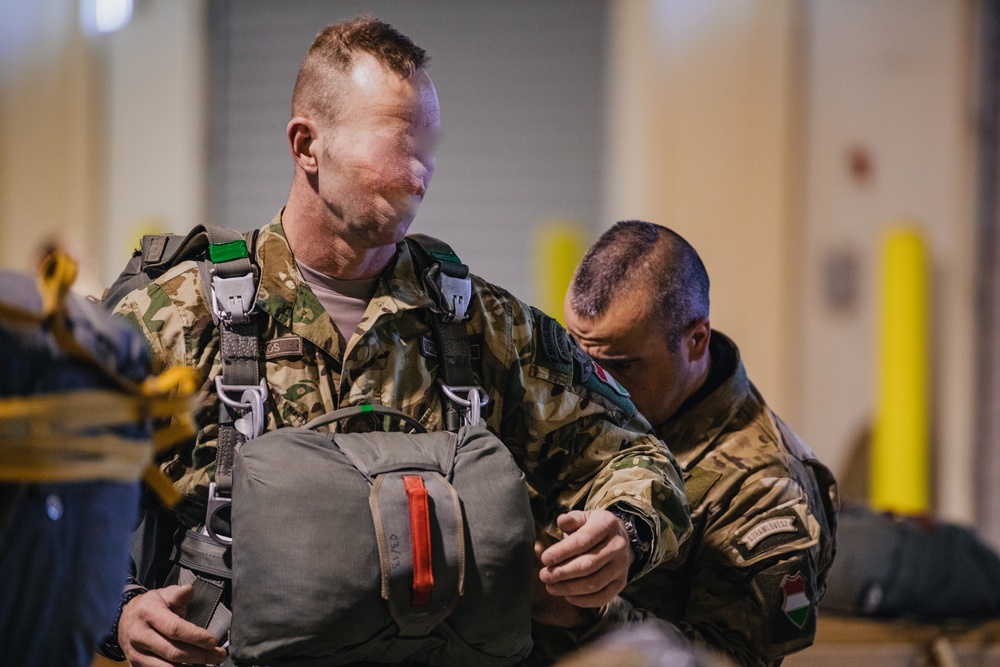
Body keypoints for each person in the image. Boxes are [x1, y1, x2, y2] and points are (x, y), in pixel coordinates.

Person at [104, 18, 691, 666]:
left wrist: (625, 529)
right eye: (395, 146)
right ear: (307, 146)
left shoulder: (482, 327)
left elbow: (637, 452)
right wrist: (120, 605)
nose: (420, 174)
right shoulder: (175, 316)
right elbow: (48, 499)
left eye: (428, 147)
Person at [534, 220, 838, 667]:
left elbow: (733, 659)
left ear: (696, 340)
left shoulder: (766, 484)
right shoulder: (581, 407)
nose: (592, 385)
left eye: (622, 366)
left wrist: (576, 610)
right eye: (581, 358)